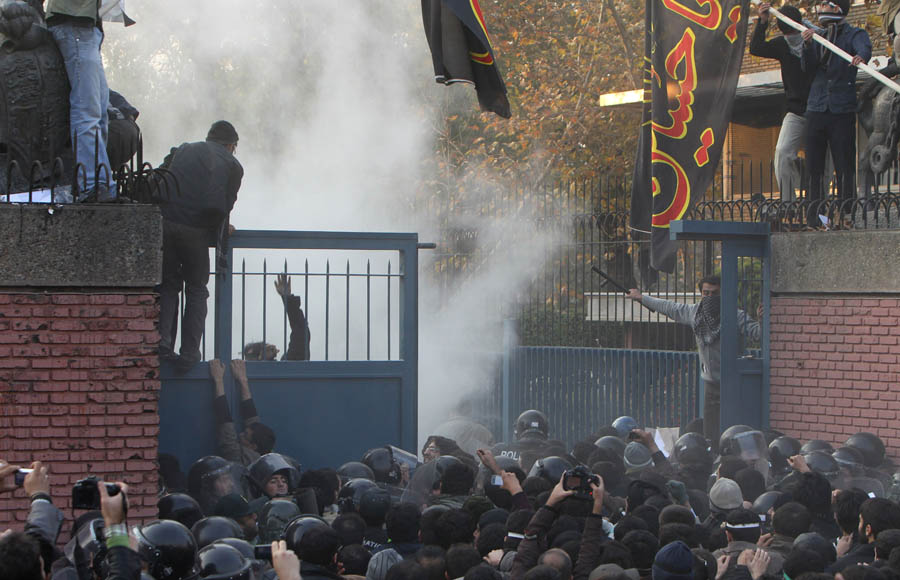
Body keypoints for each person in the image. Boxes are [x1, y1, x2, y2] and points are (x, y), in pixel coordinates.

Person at [626, 276, 760, 444]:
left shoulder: (735, 315)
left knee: (735, 431)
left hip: (733, 383)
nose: (710, 297)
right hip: (711, 383)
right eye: (706, 293)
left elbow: (757, 333)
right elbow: (669, 307)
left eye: (715, 293)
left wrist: (763, 319)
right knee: (710, 432)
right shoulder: (695, 313)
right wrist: (641, 297)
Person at [157, 120, 243, 371]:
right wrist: (222, 228)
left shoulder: (184, 149)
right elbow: (226, 202)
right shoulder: (233, 165)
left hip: (167, 223)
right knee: (196, 289)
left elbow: (162, 177)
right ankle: (189, 354)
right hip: (196, 230)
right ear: (230, 145)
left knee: (169, 285)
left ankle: (162, 343)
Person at [45, 0, 127, 201]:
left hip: (85, 28)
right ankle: (92, 186)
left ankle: (103, 184)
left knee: (99, 114)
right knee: (87, 111)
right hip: (75, 25)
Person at [801, 0, 871, 213]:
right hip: (817, 107)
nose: (822, 8)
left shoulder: (854, 34)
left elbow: (864, 49)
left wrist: (860, 57)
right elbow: (808, 67)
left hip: (841, 109)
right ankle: (816, 217)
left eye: (827, 4)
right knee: (813, 166)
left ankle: (846, 213)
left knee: (844, 165)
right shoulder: (819, 35)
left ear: (839, 9)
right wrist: (807, 45)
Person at [750, 4, 816, 202]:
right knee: (782, 152)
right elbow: (756, 47)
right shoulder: (781, 44)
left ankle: (820, 207)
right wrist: (762, 21)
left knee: (822, 161)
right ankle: (789, 203)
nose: (790, 40)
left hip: (819, 109)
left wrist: (810, 44)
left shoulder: (814, 39)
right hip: (796, 110)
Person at [208, 358, 276, 467]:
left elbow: (225, 425)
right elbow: (252, 419)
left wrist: (218, 380)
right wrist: (243, 380)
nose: (240, 434)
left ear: (253, 446)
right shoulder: (268, 455)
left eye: (244, 435)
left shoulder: (239, 460)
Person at [274, 273, 311, 361]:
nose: (276, 351)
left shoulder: (283, 368)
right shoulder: (283, 369)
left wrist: (287, 298)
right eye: (270, 349)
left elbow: (301, 334)